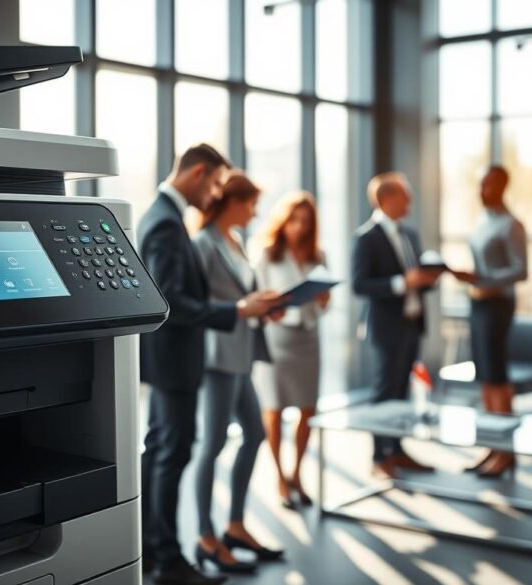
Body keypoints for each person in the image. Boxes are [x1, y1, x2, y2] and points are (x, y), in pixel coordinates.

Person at [139, 144, 283, 585]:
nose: (217, 193)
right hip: (174, 359)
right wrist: (237, 311)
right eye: (218, 183)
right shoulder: (165, 223)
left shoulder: (164, 217)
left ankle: (151, 551)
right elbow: (172, 302)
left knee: (164, 451)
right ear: (200, 173)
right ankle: (166, 560)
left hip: (173, 359)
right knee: (171, 453)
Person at [190, 173, 285, 575]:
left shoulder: (236, 242)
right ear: (232, 202)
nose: (255, 212)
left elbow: (244, 297)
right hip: (218, 357)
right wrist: (247, 305)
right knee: (211, 445)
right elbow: (196, 303)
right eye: (251, 204)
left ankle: (235, 526)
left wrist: (268, 307)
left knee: (255, 433)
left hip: (242, 353)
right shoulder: (203, 244)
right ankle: (206, 537)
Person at [351, 172, 443, 480]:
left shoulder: (410, 235)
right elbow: (360, 285)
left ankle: (398, 451)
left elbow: (416, 276)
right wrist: (401, 282)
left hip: (412, 323)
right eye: (405, 195)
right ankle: (379, 457)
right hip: (386, 326)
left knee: (402, 390)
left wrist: (427, 279)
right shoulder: (367, 237)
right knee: (385, 391)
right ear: (386, 199)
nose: (410, 202)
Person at [253, 191, 329, 509]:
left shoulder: (318, 257)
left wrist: (323, 301)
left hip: (308, 339)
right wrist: (273, 307)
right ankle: (279, 477)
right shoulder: (267, 255)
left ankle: (297, 472)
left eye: (306, 222)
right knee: (274, 410)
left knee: (307, 409)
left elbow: (325, 299)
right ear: (283, 221)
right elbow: (258, 299)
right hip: (276, 340)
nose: (299, 227)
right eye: (295, 220)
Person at [452, 165, 528, 478]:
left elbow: (522, 270)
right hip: (478, 302)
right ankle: (491, 445)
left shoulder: (512, 225)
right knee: (484, 376)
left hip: (498, 304)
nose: (482, 190)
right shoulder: (483, 221)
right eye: (480, 184)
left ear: (501, 187)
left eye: (488, 185)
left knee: (497, 376)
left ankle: (507, 451)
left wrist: (483, 278)